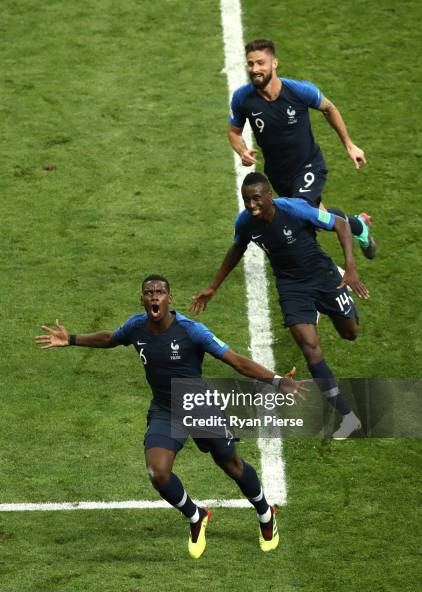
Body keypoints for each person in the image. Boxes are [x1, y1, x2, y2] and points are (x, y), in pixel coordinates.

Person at [36, 274, 306, 559]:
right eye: (149, 292)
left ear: (169, 299)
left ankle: (265, 512)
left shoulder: (192, 331)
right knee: (158, 473)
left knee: (231, 464)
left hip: (199, 404)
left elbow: (236, 360)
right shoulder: (136, 326)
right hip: (165, 409)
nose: (154, 296)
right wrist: (72, 339)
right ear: (142, 299)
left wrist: (277, 381)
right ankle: (196, 515)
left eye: (160, 292)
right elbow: (110, 338)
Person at [192, 172, 368, 439]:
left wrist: (351, 269)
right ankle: (347, 415)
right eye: (246, 200)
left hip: (323, 275)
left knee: (350, 333)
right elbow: (236, 249)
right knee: (310, 349)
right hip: (291, 287)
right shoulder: (245, 223)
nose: (251, 206)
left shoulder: (294, 209)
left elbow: (341, 225)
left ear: (269, 196)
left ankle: (329, 300)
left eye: (256, 199)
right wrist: (213, 287)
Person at [228, 38, 376, 259]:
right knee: (320, 219)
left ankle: (315, 273)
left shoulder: (298, 91)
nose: (255, 69)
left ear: (274, 63)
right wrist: (242, 150)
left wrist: (349, 144)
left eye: (261, 63)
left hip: (309, 166)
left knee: (302, 217)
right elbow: (234, 132)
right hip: (279, 175)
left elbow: (329, 108)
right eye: (250, 64)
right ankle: (358, 226)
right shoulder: (242, 98)